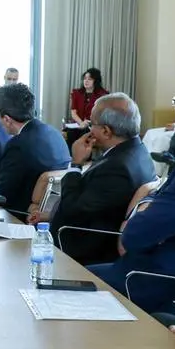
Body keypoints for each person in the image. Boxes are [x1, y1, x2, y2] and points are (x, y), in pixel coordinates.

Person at [89, 66, 175, 317]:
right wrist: (149, 205)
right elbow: (163, 193)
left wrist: (143, 211)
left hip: (157, 285)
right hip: (161, 272)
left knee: (61, 280)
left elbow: (135, 235)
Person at [49, 93, 156, 265]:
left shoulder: (117, 168)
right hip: (87, 231)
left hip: (78, 249)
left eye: (92, 124)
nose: (89, 130)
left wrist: (75, 164)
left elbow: (72, 210)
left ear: (106, 131)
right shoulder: (138, 150)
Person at [0, 84, 71, 215]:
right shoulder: (54, 133)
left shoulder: (18, 145)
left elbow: (3, 196)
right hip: (51, 215)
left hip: (19, 216)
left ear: (7, 119)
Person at [65, 67, 109, 149]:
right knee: (71, 133)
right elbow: (73, 112)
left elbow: (102, 115)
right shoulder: (77, 93)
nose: (86, 81)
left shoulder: (103, 95)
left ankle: (85, 156)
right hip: (78, 124)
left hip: (93, 125)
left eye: (90, 79)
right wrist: (81, 123)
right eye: (85, 78)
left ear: (96, 81)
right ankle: (71, 155)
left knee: (85, 133)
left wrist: (88, 123)